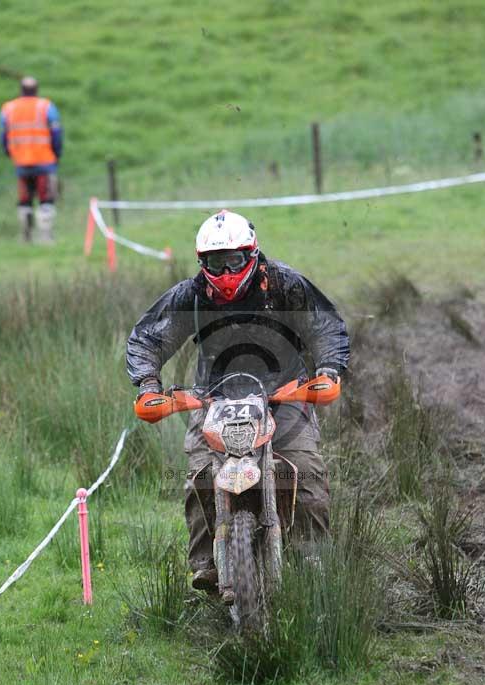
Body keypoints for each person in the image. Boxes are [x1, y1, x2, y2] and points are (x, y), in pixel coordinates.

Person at [126, 210, 350, 590]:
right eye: (216, 262)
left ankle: (315, 564)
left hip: (284, 394)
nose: (226, 270)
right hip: (213, 398)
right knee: (200, 475)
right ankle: (206, 563)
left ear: (252, 254)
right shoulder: (191, 296)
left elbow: (325, 325)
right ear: (202, 263)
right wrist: (149, 384)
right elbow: (148, 337)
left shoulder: (284, 285)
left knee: (306, 472)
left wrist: (327, 371)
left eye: (234, 260)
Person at [0, 76, 63, 243]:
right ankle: (46, 237)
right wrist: (57, 153)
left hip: (21, 162)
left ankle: (26, 236)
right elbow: (56, 133)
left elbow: (3, 135)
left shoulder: (8, 108)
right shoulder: (46, 106)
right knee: (46, 199)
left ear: (21, 89)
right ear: (37, 89)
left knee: (25, 200)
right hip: (45, 161)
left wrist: (10, 152)